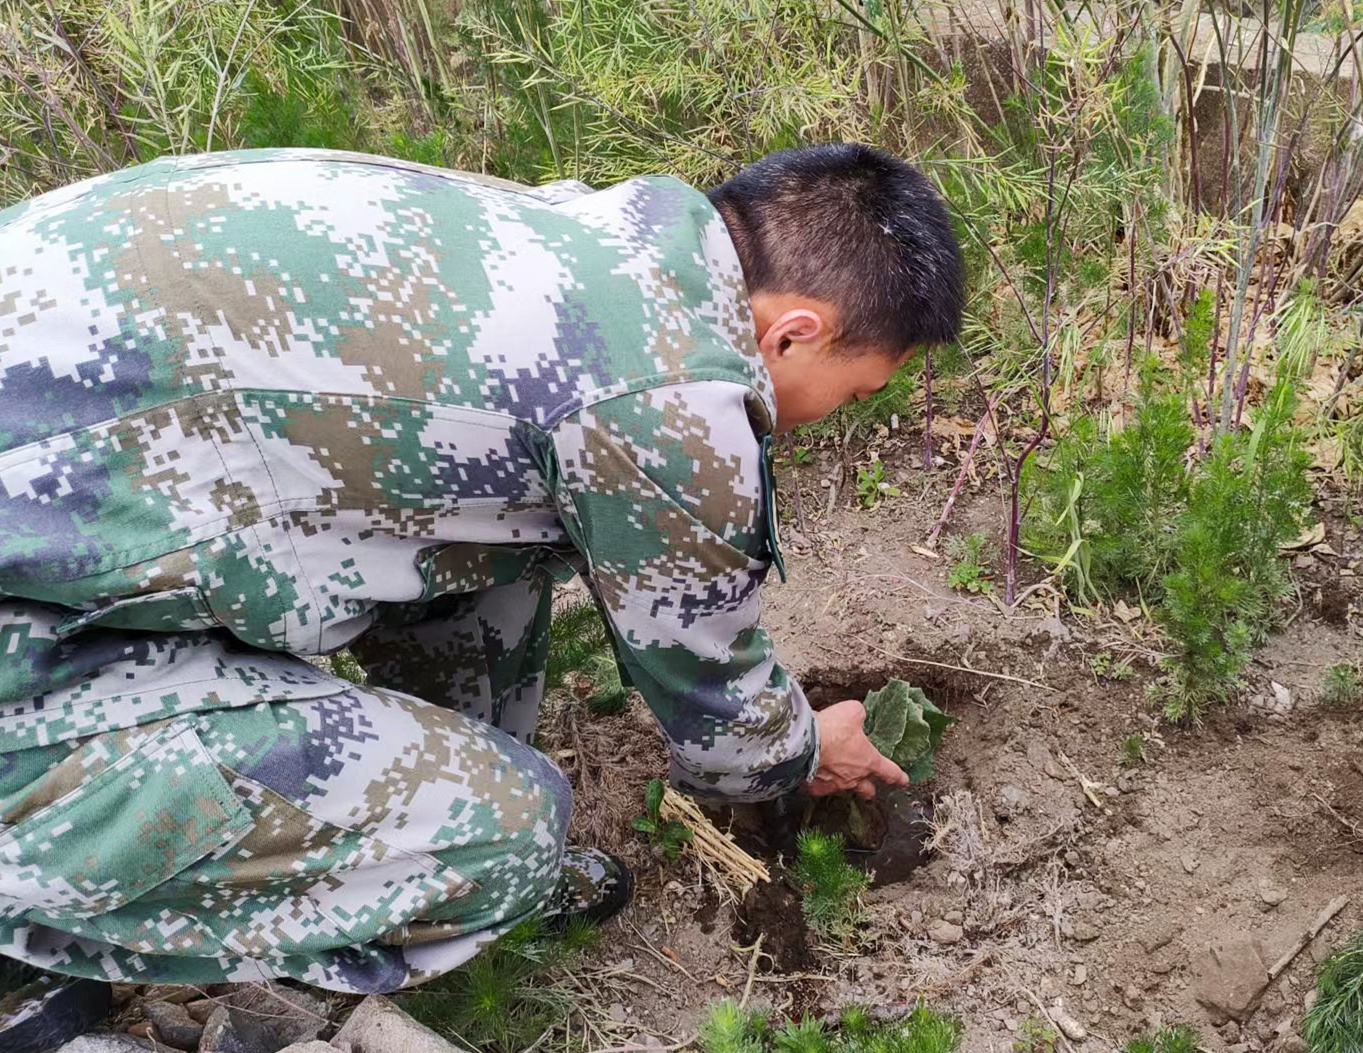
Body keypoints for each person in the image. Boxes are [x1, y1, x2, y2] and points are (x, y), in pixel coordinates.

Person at [0, 143, 962, 1004]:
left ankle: (398, 821)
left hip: (67, 504)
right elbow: (718, 703)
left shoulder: (597, 239)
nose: (839, 415)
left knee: (502, 546)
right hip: (28, 625)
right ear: (792, 332)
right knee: (510, 825)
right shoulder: (668, 398)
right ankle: (249, 931)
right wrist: (803, 746)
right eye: (858, 389)